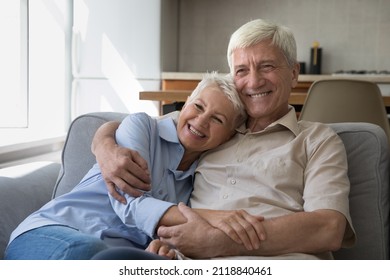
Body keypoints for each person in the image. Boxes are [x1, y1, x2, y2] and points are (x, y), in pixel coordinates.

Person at [91, 18, 356, 260]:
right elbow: (147, 126)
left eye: (267, 66)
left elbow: (330, 228)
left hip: (279, 263)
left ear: (294, 73)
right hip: (189, 261)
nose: (253, 81)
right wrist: (104, 145)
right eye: (241, 71)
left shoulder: (318, 140)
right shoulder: (214, 128)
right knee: (108, 262)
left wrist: (224, 242)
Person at [4, 72, 258, 260]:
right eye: (198, 106)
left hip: (113, 256)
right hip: (52, 233)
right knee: (88, 253)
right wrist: (216, 218)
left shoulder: (201, 181)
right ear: (187, 101)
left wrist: (161, 246)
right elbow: (130, 203)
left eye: (217, 119)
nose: (201, 121)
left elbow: (170, 234)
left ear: (229, 135)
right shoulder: (143, 127)